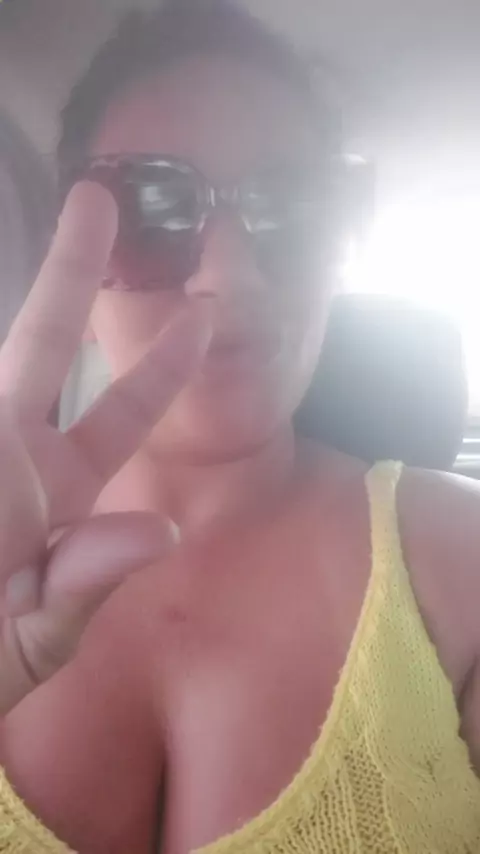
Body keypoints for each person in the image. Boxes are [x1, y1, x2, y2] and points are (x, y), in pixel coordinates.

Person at [0, 2, 479, 852]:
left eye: (292, 205)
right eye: (150, 210)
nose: (231, 275)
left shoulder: (460, 557)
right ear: (68, 268)